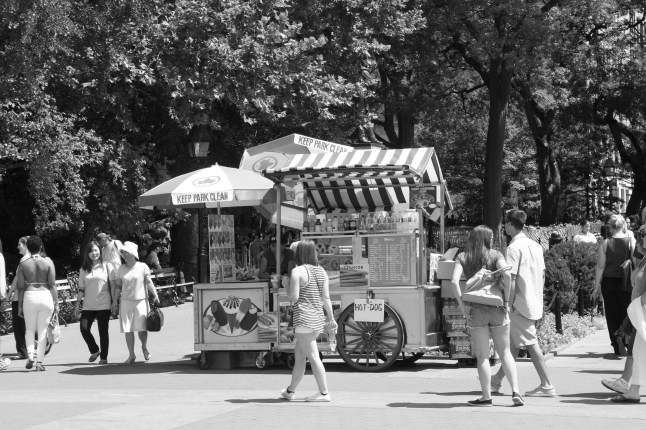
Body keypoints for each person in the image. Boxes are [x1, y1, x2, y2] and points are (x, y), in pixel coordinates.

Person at [451, 226, 524, 407]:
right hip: (497, 307)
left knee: (482, 356)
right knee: (505, 352)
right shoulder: (495, 255)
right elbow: (506, 274)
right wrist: (506, 301)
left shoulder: (463, 256)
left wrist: (462, 306)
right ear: (487, 239)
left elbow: (453, 281)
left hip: (475, 310)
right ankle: (516, 391)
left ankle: (486, 397)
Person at [492, 210, 556, 397]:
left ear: (511, 225)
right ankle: (496, 381)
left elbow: (510, 278)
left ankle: (547, 384)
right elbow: (542, 275)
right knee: (513, 345)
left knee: (529, 343)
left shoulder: (513, 248)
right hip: (533, 301)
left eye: (506, 224)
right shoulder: (536, 246)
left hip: (519, 304)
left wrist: (507, 303)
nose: (504, 227)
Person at [281, 240, 336, 402]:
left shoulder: (297, 271)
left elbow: (294, 298)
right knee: (299, 356)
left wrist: (286, 285)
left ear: (299, 254)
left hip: (303, 319)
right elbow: (326, 298)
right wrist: (331, 318)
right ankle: (290, 391)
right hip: (317, 319)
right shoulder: (321, 271)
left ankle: (324, 393)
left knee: (313, 356)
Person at [602, 224, 646, 394]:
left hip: (642, 310)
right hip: (639, 310)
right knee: (636, 348)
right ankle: (631, 388)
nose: (641, 238)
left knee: (636, 348)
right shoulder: (644, 258)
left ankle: (627, 384)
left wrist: (638, 304)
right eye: (641, 234)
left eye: (644, 234)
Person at [593, 214, 636, 355]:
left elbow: (600, 266)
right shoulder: (631, 241)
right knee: (626, 312)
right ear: (624, 225)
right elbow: (636, 263)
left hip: (608, 281)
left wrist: (596, 286)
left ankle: (616, 343)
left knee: (611, 313)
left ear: (610, 227)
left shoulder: (605, 244)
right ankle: (625, 339)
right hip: (626, 281)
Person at [112, 241, 160, 364]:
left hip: (141, 302)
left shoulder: (142, 266)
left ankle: (144, 347)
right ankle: (131, 354)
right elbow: (118, 286)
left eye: (126, 253)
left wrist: (155, 295)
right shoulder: (120, 269)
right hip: (126, 302)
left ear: (133, 254)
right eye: (122, 253)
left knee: (142, 328)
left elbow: (149, 282)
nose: (124, 256)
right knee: (128, 329)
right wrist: (114, 301)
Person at [15, 236, 57, 371]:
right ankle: (39, 362)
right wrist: (56, 303)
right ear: (40, 247)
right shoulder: (48, 262)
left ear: (28, 247)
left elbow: (20, 287)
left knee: (29, 329)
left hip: (30, 296)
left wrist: (20, 305)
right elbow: (52, 285)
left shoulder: (23, 264)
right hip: (45, 295)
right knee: (43, 331)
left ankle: (30, 355)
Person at [74, 241, 116, 364]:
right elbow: (81, 289)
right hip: (88, 305)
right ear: (87, 254)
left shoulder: (107, 265)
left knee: (103, 332)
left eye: (96, 250)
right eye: (91, 251)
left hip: (104, 303)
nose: (94, 253)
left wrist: (114, 302)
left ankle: (104, 357)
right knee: (84, 328)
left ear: (100, 251)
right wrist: (77, 304)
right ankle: (95, 350)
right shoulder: (84, 269)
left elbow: (113, 285)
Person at [5, 237, 31, 358]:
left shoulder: (26, 260)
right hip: (21, 297)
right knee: (21, 325)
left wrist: (9, 293)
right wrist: (11, 293)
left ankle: (26, 350)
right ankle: (23, 351)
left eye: (19, 244)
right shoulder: (27, 260)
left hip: (22, 298)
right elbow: (16, 278)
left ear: (26, 245)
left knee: (22, 326)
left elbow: (17, 279)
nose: (17, 246)